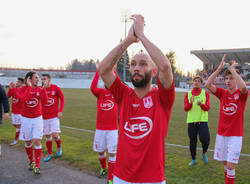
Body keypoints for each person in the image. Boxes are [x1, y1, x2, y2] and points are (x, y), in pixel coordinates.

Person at [98, 14, 175, 184]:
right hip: (121, 177)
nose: (136, 68)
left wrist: (141, 35)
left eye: (143, 64)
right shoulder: (123, 94)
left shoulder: (162, 97)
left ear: (153, 72)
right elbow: (103, 69)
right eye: (133, 64)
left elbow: (165, 66)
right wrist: (128, 40)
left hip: (152, 179)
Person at [205, 54, 248, 184]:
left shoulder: (241, 95)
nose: (228, 81)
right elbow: (207, 84)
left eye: (231, 78)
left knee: (230, 166)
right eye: (226, 79)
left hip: (235, 136)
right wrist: (219, 69)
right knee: (225, 164)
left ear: (236, 79)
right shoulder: (222, 93)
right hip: (222, 134)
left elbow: (244, 88)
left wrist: (233, 70)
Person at [13, 71, 48, 174]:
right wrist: (28, 87)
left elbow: (45, 102)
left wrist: (44, 90)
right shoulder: (22, 89)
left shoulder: (40, 89)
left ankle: (37, 165)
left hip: (37, 119)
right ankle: (31, 161)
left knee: (37, 140)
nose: (38, 79)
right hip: (26, 119)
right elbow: (24, 99)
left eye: (38, 78)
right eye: (36, 78)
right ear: (29, 79)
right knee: (28, 142)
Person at [90, 64, 118, 184]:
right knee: (100, 152)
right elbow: (92, 87)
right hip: (100, 129)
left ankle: (111, 178)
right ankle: (104, 168)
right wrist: (98, 71)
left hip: (112, 129)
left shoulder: (117, 93)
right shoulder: (100, 93)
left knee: (112, 153)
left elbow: (118, 82)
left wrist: (113, 70)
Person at [184, 76, 210, 166]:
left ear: (201, 83)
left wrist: (202, 105)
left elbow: (207, 108)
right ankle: (194, 159)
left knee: (205, 139)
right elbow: (186, 109)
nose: (196, 82)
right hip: (191, 121)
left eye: (199, 81)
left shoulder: (205, 93)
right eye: (195, 81)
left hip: (202, 120)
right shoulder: (188, 94)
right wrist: (191, 103)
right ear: (193, 82)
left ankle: (204, 153)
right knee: (192, 141)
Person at [41, 74, 65, 162]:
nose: (43, 81)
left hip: (54, 116)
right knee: (47, 136)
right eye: (42, 79)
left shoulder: (55, 88)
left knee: (55, 135)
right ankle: (49, 153)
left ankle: (59, 147)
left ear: (49, 80)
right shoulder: (40, 89)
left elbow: (62, 98)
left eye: (45, 79)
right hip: (44, 116)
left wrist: (60, 111)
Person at [7, 77, 25, 146]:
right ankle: (24, 130)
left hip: (20, 112)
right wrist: (10, 88)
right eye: (17, 81)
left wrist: (14, 89)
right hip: (14, 111)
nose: (17, 83)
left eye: (18, 82)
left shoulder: (23, 90)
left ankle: (16, 139)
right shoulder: (15, 89)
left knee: (18, 126)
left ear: (22, 84)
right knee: (15, 124)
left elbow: (20, 98)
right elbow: (8, 96)